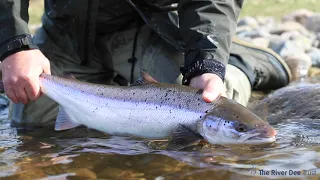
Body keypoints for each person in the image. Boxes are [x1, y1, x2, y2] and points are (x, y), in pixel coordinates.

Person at [0, 0, 291, 128]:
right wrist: (14, 44)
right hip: (66, 31)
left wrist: (206, 63)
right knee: (30, 118)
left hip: (153, 25)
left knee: (208, 103)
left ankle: (240, 59)